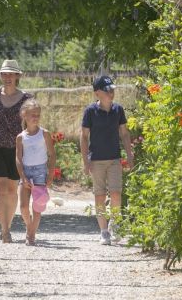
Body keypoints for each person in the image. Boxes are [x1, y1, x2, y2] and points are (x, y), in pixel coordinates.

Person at [0, 59, 32, 243]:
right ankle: (5, 230)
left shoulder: (27, 98)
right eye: (4, 74)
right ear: (0, 76)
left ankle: (7, 225)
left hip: (18, 149)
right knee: (1, 188)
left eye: (11, 74)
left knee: (12, 189)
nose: (7, 77)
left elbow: (32, 124)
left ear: (17, 76)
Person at [80, 75, 133, 245]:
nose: (112, 92)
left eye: (112, 89)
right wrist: (85, 160)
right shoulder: (90, 111)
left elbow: (124, 133)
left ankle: (115, 224)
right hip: (96, 160)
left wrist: (129, 155)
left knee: (116, 193)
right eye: (107, 90)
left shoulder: (118, 110)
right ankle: (104, 232)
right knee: (100, 195)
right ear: (97, 93)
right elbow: (83, 136)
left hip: (114, 159)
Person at [15, 99, 56, 246]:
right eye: (32, 114)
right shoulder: (21, 137)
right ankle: (29, 227)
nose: (35, 117)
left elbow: (52, 154)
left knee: (37, 206)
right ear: (24, 115)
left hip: (40, 172)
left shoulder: (44, 134)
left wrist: (50, 175)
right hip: (25, 172)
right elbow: (18, 158)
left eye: (38, 115)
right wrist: (22, 176)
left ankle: (31, 234)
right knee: (24, 206)